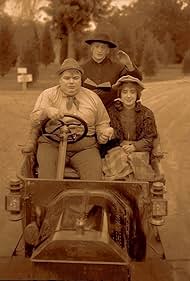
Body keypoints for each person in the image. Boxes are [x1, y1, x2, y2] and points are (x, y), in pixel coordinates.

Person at [26, 58, 113, 180]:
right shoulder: (48, 95)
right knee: (46, 179)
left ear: (81, 80)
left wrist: (103, 133)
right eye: (67, 78)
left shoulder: (92, 97)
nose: (71, 82)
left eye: (75, 78)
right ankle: (48, 196)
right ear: (60, 80)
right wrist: (46, 111)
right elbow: (34, 119)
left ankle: (88, 198)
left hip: (84, 147)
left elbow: (102, 123)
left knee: (94, 181)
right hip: (52, 144)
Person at [101, 75, 158, 181]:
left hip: (139, 150)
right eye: (125, 92)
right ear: (120, 94)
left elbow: (150, 138)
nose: (128, 96)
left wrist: (135, 146)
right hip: (118, 149)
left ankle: (135, 191)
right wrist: (110, 134)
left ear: (137, 95)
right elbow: (110, 134)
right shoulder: (112, 112)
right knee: (119, 160)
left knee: (136, 163)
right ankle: (119, 188)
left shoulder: (146, 113)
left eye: (132, 92)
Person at [81, 32, 142, 107]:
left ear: (107, 51)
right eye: (97, 47)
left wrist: (129, 65)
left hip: (112, 110)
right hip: (87, 109)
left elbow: (137, 79)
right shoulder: (81, 68)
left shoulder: (118, 67)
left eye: (103, 47)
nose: (99, 50)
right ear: (92, 48)